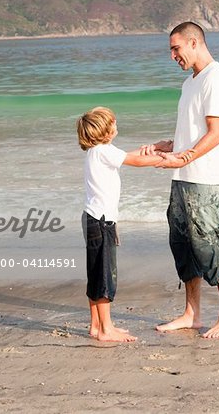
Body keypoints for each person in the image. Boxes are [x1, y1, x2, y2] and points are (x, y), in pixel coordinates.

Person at [141, 21, 219, 339]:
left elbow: (216, 134)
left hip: (205, 179)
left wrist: (183, 157)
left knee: (209, 244)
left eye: (176, 48)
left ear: (194, 43)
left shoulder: (216, 79)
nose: (173, 56)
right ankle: (192, 314)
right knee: (182, 245)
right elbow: (193, 133)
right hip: (182, 176)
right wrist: (167, 147)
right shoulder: (190, 84)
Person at [77, 106, 163, 342]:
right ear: (104, 130)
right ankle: (106, 329)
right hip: (101, 222)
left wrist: (154, 147)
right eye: (113, 123)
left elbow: (126, 155)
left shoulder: (97, 152)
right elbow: (134, 161)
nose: (116, 125)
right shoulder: (104, 151)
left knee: (95, 273)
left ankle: (96, 325)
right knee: (105, 275)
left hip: (93, 219)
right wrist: (169, 159)